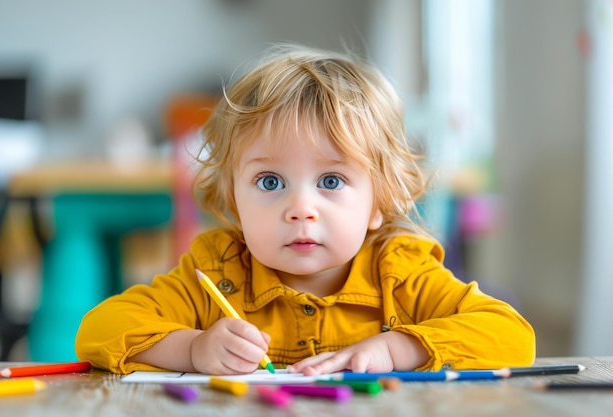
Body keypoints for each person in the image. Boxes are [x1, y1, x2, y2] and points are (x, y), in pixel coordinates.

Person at [75, 44, 535, 375]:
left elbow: (512, 336)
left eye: (331, 181)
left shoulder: (401, 270)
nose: (300, 209)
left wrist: (401, 348)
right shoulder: (219, 270)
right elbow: (98, 330)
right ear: (234, 198)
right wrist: (193, 349)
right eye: (270, 182)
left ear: (379, 202)